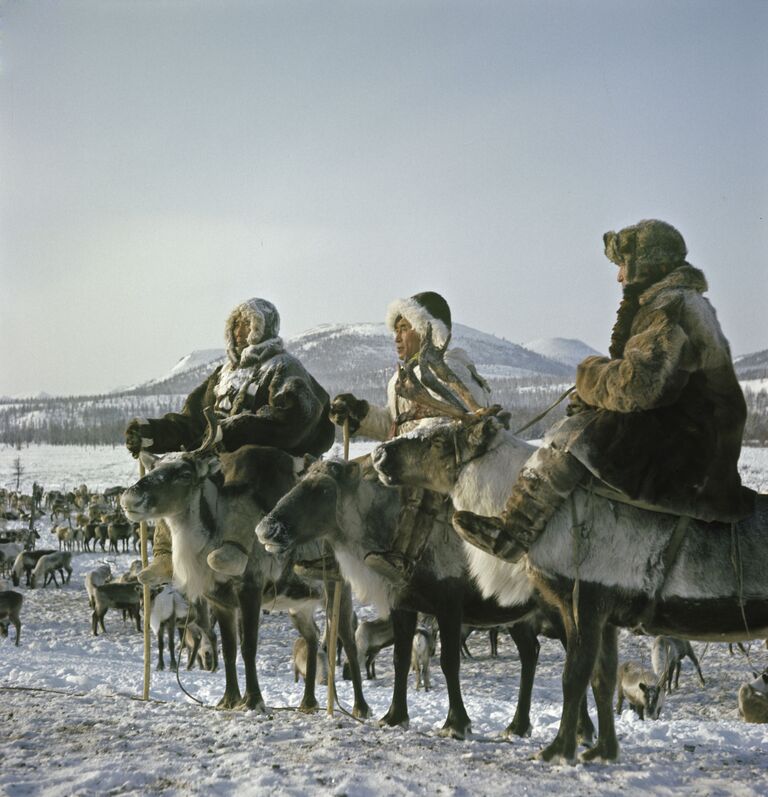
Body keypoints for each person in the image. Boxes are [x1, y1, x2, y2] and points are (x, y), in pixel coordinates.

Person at [453, 219, 755, 563]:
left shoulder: (670, 308)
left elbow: (641, 385)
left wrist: (589, 377)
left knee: (572, 436)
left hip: (691, 452)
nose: (619, 276)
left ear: (648, 264)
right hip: (696, 439)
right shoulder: (678, 302)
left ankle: (514, 533)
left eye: (624, 265)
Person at [125, 297, 335, 586]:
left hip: (270, 462)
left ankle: (235, 548)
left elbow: (297, 414)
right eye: (236, 324)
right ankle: (165, 554)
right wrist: (153, 433)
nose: (240, 331)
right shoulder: (224, 374)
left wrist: (236, 429)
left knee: (246, 457)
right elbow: (193, 421)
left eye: (248, 324)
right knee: (175, 470)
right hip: (220, 458)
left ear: (264, 329)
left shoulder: (283, 367)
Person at [329, 291, 491, 583]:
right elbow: (397, 424)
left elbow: (445, 425)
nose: (397, 337)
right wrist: (360, 415)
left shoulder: (449, 370)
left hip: (440, 465)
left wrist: (398, 448)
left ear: (429, 330)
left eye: (405, 328)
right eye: (396, 329)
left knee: (365, 483)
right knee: (339, 475)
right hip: (404, 455)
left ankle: (400, 557)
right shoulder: (405, 375)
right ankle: (337, 555)